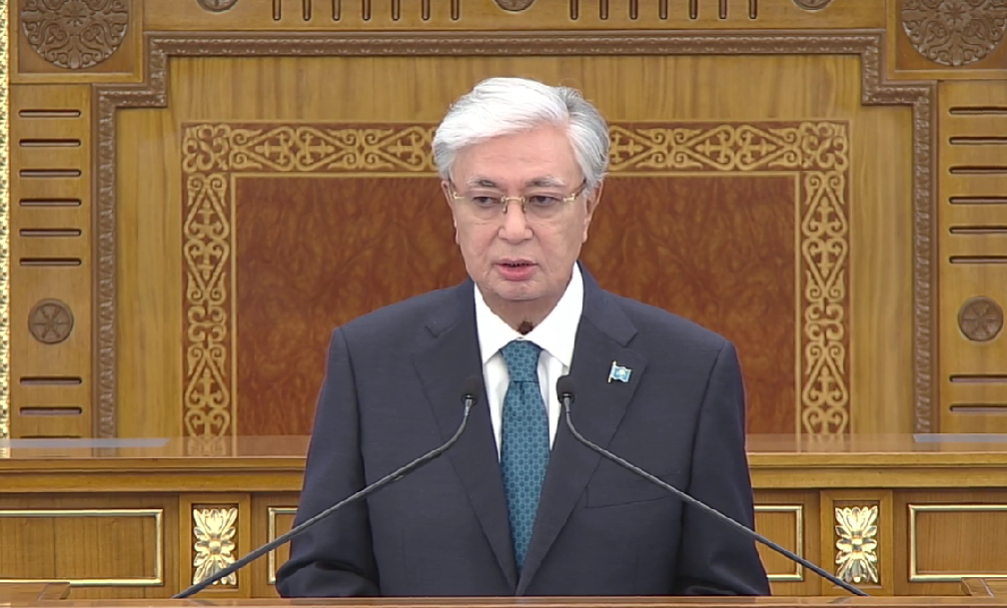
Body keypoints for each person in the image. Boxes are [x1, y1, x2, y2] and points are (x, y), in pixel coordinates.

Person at [275, 77, 770, 597]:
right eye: (486, 199)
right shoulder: (371, 361)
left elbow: (723, 587)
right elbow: (321, 571)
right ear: (451, 203)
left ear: (589, 204)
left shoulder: (690, 370)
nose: (513, 229)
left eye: (542, 199)